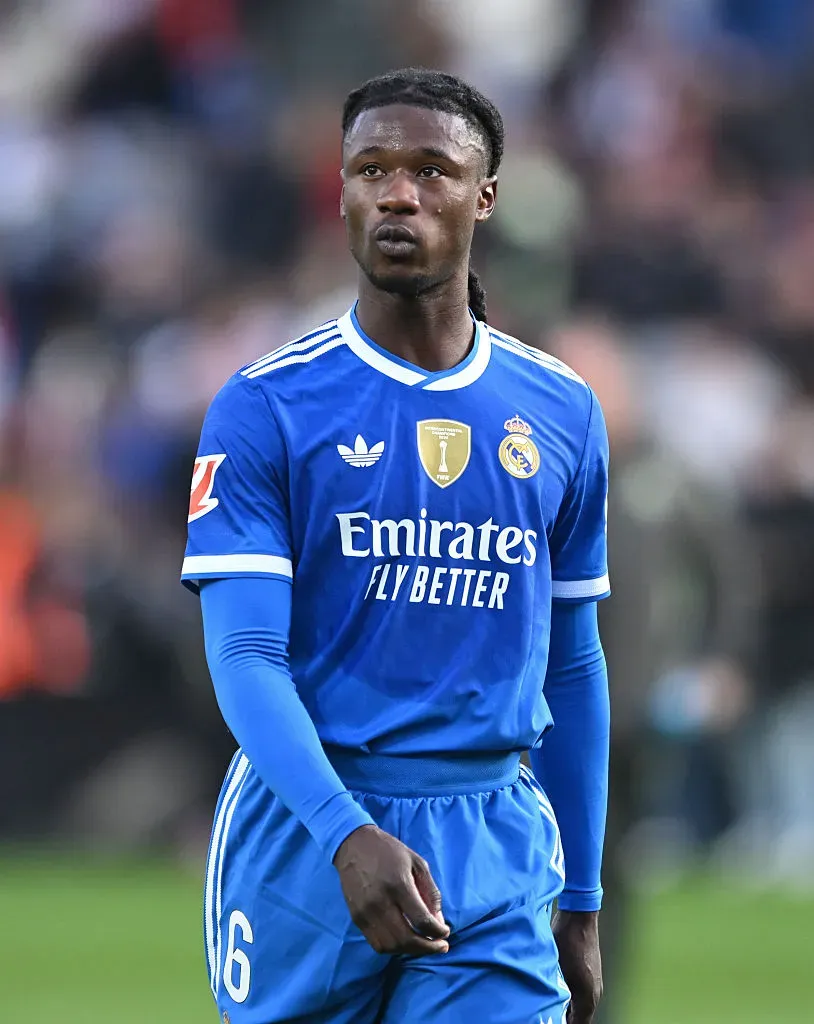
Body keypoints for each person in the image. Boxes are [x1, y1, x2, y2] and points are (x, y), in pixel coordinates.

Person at [182, 68, 610, 1024]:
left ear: (485, 196)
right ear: (340, 190)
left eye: (432, 169)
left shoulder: (563, 414)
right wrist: (346, 833)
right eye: (370, 168)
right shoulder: (264, 407)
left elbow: (574, 666)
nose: (399, 192)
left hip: (490, 837)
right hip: (307, 826)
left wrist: (580, 898)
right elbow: (245, 653)